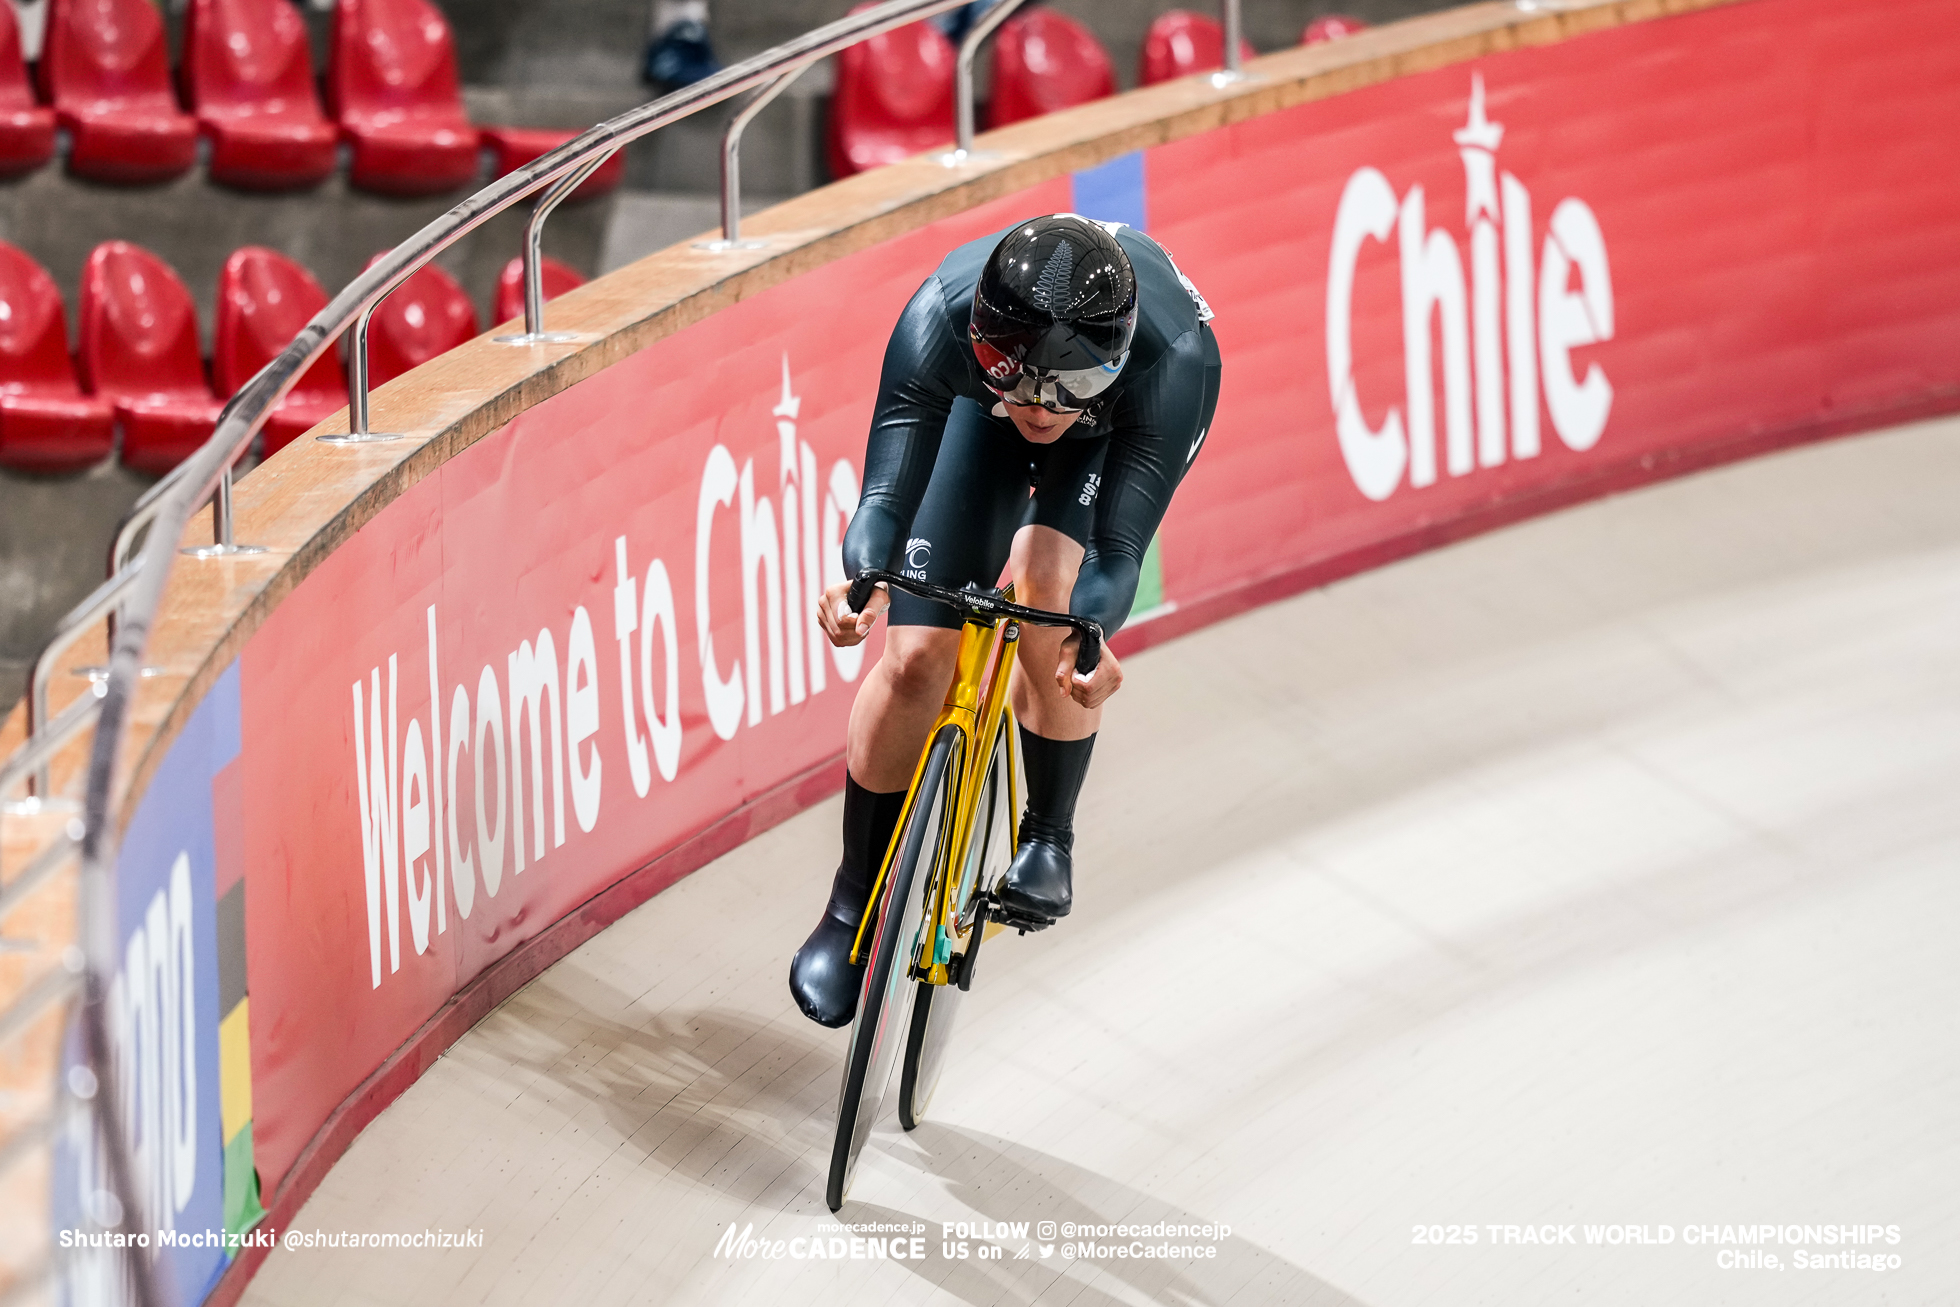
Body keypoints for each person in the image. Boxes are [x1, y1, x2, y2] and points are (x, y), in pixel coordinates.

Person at [789, 214, 1222, 1028]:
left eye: (1069, 385)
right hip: (970, 414)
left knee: (1050, 589)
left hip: (1116, 434)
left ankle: (1047, 837)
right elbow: (884, 499)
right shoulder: (942, 319)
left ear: (1114, 363)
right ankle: (851, 911)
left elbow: (1117, 555)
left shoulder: (1174, 362)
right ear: (983, 339)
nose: (1040, 406)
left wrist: (1093, 635)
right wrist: (862, 583)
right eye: (1015, 376)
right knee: (916, 657)